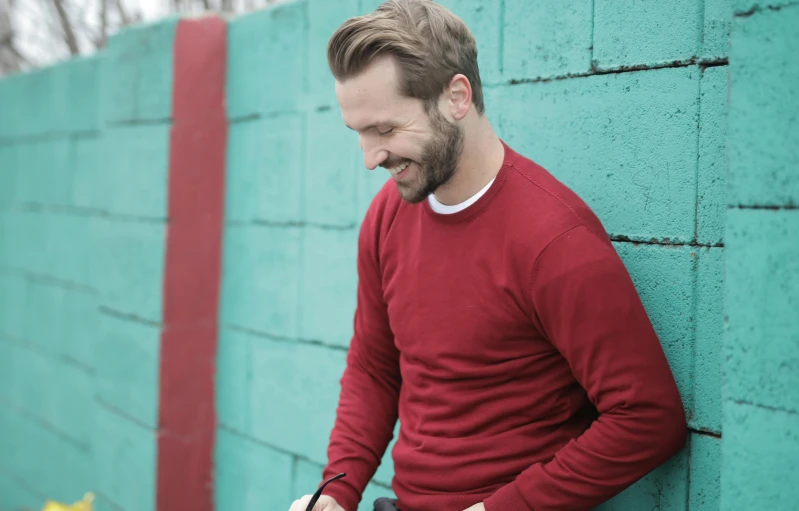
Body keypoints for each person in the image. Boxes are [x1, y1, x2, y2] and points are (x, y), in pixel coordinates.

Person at [288, 1, 687, 510]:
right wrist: (338, 493)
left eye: (386, 130)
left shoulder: (554, 241)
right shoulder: (388, 217)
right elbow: (374, 368)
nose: (370, 159)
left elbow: (648, 417)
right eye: (359, 134)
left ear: (457, 96)